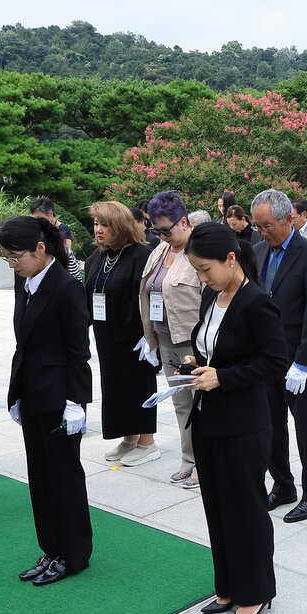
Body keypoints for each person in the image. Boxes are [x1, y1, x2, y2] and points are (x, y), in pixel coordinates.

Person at [182, 222, 287, 614]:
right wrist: (197, 364)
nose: (202, 278)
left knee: (246, 510)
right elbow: (217, 348)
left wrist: (223, 378)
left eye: (205, 269)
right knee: (217, 507)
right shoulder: (214, 295)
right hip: (208, 418)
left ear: (230, 259)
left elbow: (273, 362)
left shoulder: (256, 301)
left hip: (243, 423)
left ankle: (255, 591)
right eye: (197, 270)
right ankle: (227, 585)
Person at [0, 215, 93, 587]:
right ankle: (51, 548)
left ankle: (74, 554)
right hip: (33, 393)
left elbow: (78, 351)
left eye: (15, 257)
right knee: (39, 478)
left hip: (59, 398)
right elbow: (23, 344)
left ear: (40, 248)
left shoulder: (66, 286)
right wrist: (16, 393)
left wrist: (76, 401)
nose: (12, 264)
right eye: (7, 258)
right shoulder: (25, 283)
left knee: (64, 478)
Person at [250, 190, 307, 523]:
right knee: (270, 425)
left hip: (300, 360)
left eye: (267, 226)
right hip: (266, 359)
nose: (262, 232)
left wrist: (303, 363)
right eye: (257, 226)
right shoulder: (257, 252)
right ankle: (283, 485)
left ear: (288, 219)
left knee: (306, 428)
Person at [85, 201, 159, 467]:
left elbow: (151, 296)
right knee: (115, 388)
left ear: (120, 226)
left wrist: (150, 334)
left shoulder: (141, 254)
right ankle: (129, 438)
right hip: (107, 335)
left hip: (134, 336)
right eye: (96, 224)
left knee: (138, 386)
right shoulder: (99, 256)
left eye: (105, 225)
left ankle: (147, 442)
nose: (98, 230)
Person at [139, 191, 204, 487]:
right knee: (181, 405)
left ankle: (204, 461)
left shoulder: (198, 252)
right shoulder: (159, 251)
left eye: (166, 230)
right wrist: (148, 337)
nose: (162, 236)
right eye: (156, 231)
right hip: (165, 341)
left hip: (192, 342)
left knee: (200, 405)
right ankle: (188, 460)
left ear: (184, 222)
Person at [29, 196, 80, 278]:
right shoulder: (38, 229)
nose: (37, 222)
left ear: (51, 214)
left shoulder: (63, 229)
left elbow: (66, 253)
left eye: (39, 218)